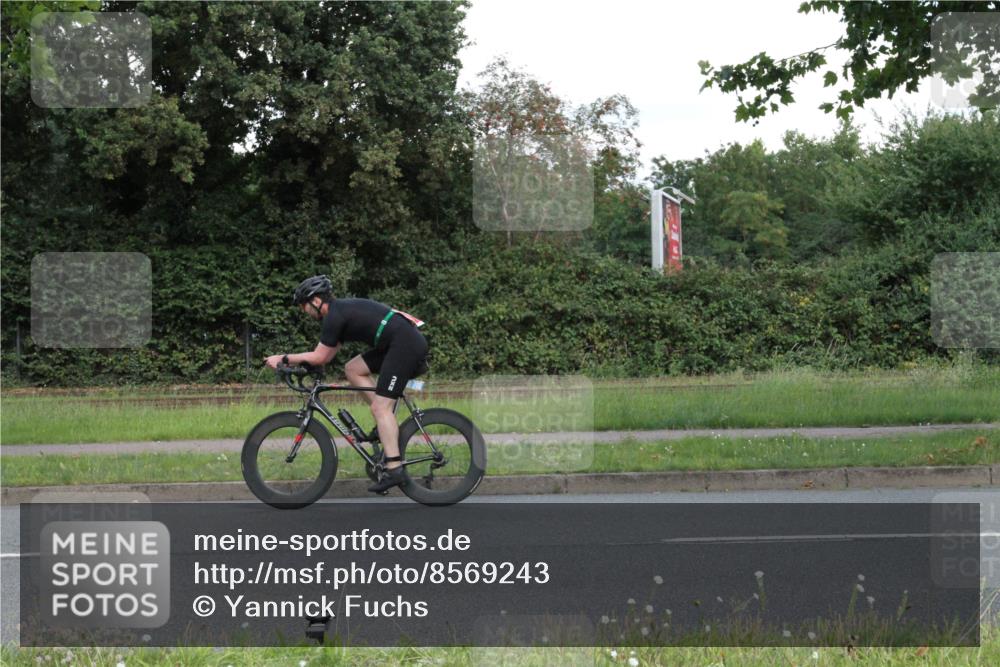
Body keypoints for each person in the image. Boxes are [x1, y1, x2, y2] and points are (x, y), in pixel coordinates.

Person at [265, 275, 428, 493]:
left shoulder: (335, 316)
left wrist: (282, 358)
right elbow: (325, 356)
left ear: (315, 301)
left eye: (304, 305)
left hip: (404, 344)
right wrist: (306, 364)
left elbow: (319, 356)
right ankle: (384, 426)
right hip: (396, 342)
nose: (304, 311)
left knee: (381, 407)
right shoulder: (337, 314)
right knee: (353, 369)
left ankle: (395, 469)